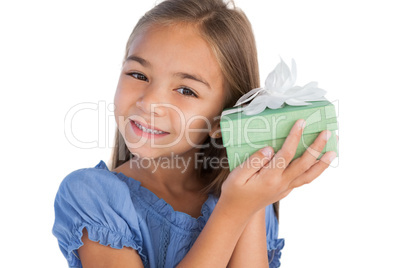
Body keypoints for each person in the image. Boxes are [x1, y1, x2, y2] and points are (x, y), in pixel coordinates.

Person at [52, 0, 337, 267]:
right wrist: (233, 211)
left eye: (186, 90)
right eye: (138, 75)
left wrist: (248, 196)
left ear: (221, 120)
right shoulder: (92, 197)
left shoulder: (249, 197)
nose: (149, 102)